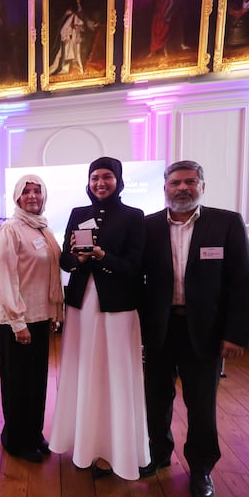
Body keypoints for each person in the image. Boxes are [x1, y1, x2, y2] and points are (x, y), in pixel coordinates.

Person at [139, 160, 249, 497]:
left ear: (202, 186)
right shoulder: (147, 227)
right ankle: (158, 453)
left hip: (204, 331)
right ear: (165, 188)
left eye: (190, 181)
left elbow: (242, 284)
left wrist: (236, 334)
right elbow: (135, 279)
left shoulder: (226, 223)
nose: (183, 188)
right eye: (176, 182)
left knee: (201, 405)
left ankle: (201, 469)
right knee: (155, 399)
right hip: (159, 329)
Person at [48, 157, 150, 479]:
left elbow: (136, 267)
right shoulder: (79, 214)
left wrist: (104, 258)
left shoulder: (134, 217)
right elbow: (65, 260)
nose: (100, 183)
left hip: (118, 308)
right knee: (84, 370)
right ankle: (82, 442)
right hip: (80, 307)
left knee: (113, 373)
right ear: (88, 181)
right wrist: (77, 259)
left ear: (118, 180)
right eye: (94, 178)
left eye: (107, 177)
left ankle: (111, 449)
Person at [0, 174, 64, 463]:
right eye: (26, 192)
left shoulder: (43, 229)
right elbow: (4, 279)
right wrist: (17, 322)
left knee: (36, 381)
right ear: (17, 197)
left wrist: (54, 311)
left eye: (37, 191)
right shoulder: (11, 230)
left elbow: (51, 274)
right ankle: (16, 441)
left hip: (40, 316)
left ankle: (33, 434)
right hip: (16, 321)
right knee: (17, 382)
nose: (32, 196)